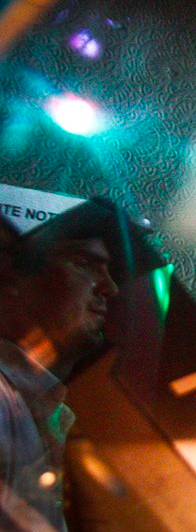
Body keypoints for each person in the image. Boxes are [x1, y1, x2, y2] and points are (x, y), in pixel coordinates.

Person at [0, 198, 153, 531]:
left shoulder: (39, 409)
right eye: (84, 262)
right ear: (10, 281)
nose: (110, 287)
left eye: (111, 272)